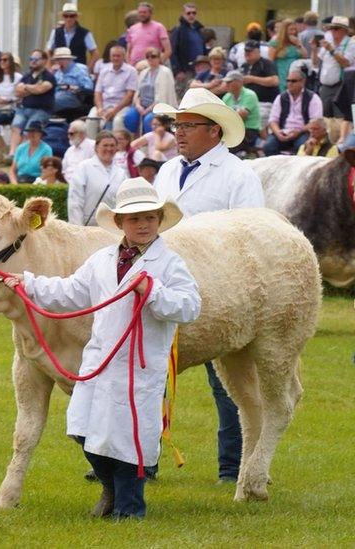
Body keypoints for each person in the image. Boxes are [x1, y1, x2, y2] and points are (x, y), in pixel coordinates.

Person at [5, 176, 200, 519]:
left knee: (130, 441)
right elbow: (70, 292)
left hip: (138, 367)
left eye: (150, 217)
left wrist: (152, 292)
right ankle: (109, 487)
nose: (143, 224)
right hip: (100, 362)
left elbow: (189, 307)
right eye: (135, 218)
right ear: (121, 222)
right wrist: (28, 283)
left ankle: (129, 510)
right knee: (83, 429)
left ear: (159, 220)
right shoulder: (102, 260)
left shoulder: (170, 264)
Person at [152, 87, 264, 484]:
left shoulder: (238, 175)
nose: (178, 132)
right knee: (151, 374)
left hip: (220, 292)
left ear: (214, 131)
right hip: (164, 288)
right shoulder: (167, 171)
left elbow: (252, 234)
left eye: (188, 125)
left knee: (229, 383)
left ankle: (232, 468)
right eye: (176, 125)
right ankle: (141, 462)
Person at [68, 131, 126, 225]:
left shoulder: (121, 173)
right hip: (88, 226)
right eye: (105, 145)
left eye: (112, 145)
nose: (109, 148)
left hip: (112, 227)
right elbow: (75, 201)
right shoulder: (83, 167)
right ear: (96, 148)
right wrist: (77, 228)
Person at [312, 16, 355, 139]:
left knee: (341, 119)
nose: (332, 31)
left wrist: (332, 50)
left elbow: (346, 63)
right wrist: (314, 50)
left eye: (336, 29)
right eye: (331, 29)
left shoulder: (351, 43)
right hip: (325, 86)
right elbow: (316, 62)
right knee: (326, 119)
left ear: (344, 30)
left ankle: (341, 145)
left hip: (341, 85)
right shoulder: (328, 38)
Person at [9, 50, 55, 159]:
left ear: (44, 60)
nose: (33, 62)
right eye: (31, 59)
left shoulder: (49, 76)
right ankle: (12, 155)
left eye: (36, 59)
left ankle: (24, 156)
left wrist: (26, 87)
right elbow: (17, 92)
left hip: (42, 110)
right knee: (16, 127)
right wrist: (33, 88)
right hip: (24, 109)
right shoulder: (27, 76)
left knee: (29, 130)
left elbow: (41, 89)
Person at [263, 69, 321, 156]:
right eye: (288, 81)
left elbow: (315, 122)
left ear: (302, 82)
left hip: (303, 132)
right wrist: (278, 133)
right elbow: (273, 120)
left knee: (302, 147)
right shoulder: (281, 97)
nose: (290, 83)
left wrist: (299, 131)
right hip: (283, 131)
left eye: (293, 81)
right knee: (268, 146)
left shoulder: (313, 98)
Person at [124, 47, 176, 134]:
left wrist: (148, 109)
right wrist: (138, 105)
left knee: (149, 120)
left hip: (156, 107)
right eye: (147, 56)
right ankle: (136, 139)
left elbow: (162, 96)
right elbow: (138, 92)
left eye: (153, 56)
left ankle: (152, 142)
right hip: (142, 105)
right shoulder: (144, 72)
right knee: (129, 117)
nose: (150, 59)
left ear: (159, 58)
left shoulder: (165, 72)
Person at [92, 45, 138, 131]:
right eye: (113, 56)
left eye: (118, 56)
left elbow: (129, 95)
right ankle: (92, 143)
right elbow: (97, 92)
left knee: (117, 121)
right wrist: (99, 108)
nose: (116, 58)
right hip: (104, 105)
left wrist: (114, 110)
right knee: (91, 119)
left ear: (124, 57)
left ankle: (117, 143)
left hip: (122, 106)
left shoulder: (131, 71)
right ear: (110, 57)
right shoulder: (104, 70)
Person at [220, 70, 260, 156]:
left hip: (248, 130)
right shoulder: (226, 97)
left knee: (225, 147)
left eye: (229, 82)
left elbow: (241, 116)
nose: (226, 84)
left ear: (240, 82)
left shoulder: (250, 95)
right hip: (232, 129)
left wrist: (225, 118)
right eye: (226, 82)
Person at [240, 40, 280, 126]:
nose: (247, 53)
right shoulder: (244, 66)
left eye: (250, 51)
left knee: (259, 120)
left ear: (258, 51)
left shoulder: (266, 63)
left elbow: (275, 81)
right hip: (246, 104)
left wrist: (252, 79)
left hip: (264, 103)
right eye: (246, 51)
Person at [47, 3, 97, 69]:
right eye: (66, 16)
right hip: (59, 71)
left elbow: (95, 54)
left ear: (76, 17)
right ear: (62, 17)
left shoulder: (85, 33)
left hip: (78, 72)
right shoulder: (55, 32)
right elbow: (48, 51)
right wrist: (49, 68)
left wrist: (87, 70)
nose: (69, 19)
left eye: (72, 16)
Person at [126, 2, 172, 66]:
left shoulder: (159, 27)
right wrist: (129, 65)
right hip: (135, 67)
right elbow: (128, 51)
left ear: (150, 13)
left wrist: (159, 63)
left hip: (152, 65)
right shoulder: (132, 29)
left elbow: (168, 50)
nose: (142, 14)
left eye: (144, 12)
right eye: (140, 12)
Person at [52, 47, 94, 118]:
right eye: (57, 60)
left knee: (49, 103)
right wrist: (51, 74)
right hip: (56, 96)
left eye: (61, 59)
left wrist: (71, 87)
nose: (59, 62)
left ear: (69, 59)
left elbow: (89, 88)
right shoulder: (57, 72)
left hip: (73, 97)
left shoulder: (80, 69)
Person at [170, 3, 206, 81]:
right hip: (185, 71)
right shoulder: (178, 30)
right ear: (183, 14)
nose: (191, 15)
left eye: (194, 13)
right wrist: (177, 70)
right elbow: (173, 51)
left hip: (200, 69)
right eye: (188, 13)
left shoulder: (199, 30)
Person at [268, 19, 305, 93]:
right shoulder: (276, 42)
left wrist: (298, 44)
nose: (293, 32)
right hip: (282, 74)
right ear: (284, 31)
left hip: (297, 73)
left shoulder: (296, 42)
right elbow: (270, 61)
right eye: (291, 29)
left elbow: (305, 56)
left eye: (295, 29)